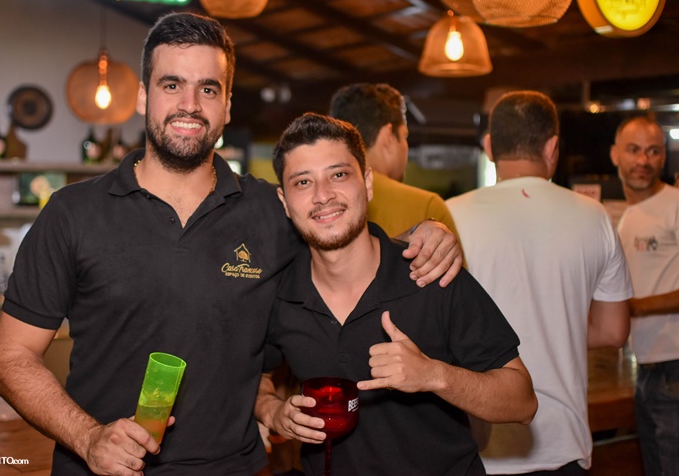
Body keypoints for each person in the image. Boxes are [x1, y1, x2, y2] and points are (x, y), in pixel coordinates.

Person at [0, 12, 462, 476]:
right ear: (143, 96)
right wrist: (88, 438)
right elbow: (10, 357)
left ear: (228, 105)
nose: (190, 104)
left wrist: (422, 235)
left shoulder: (271, 211)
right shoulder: (73, 213)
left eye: (208, 89)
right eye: (172, 85)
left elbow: (347, 251)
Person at [254, 112, 537, 476]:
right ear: (284, 201)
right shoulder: (279, 295)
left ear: (367, 182)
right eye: (303, 182)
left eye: (338, 175)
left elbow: (522, 401)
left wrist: (434, 375)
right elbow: (254, 376)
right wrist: (272, 411)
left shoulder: (431, 274)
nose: (323, 195)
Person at [447, 90, 633, 475]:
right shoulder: (595, 216)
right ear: (552, 148)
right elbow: (614, 331)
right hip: (563, 441)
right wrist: (553, 325)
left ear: (489, 147)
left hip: (481, 445)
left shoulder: (448, 218)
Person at [610, 113, 679, 476]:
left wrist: (632, 307)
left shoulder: (674, 204)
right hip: (647, 369)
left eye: (653, 151)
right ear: (615, 154)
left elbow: (633, 301)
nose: (643, 160)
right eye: (634, 150)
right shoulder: (627, 216)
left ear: (663, 157)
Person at [329, 83, 461, 240]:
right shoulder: (427, 208)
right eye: (405, 136)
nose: (406, 147)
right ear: (388, 136)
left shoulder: (319, 201)